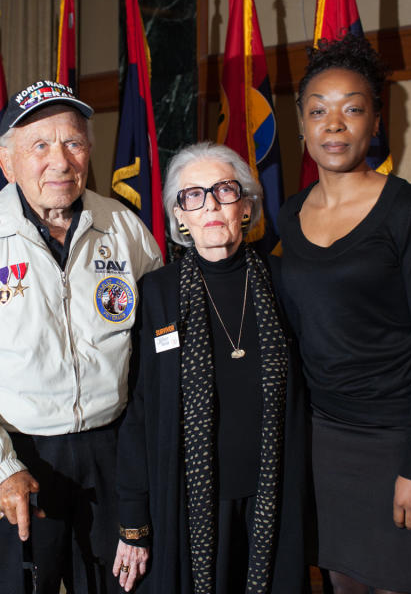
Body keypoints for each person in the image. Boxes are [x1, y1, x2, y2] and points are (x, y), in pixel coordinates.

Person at [0, 79, 163, 594]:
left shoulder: (124, 228)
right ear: (6, 160)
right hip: (18, 454)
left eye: (73, 142)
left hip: (113, 455)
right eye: (39, 145)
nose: (60, 161)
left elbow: (156, 347)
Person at [276, 34, 411, 594]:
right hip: (324, 438)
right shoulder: (288, 214)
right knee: (340, 581)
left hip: (399, 438)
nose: (334, 125)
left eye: (352, 109)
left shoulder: (410, 213)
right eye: (318, 111)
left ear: (376, 121)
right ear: (303, 124)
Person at [113, 142, 308, 593]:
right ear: (180, 216)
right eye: (194, 195)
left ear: (246, 205)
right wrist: (133, 515)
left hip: (273, 492)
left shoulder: (284, 281)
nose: (211, 205)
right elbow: (139, 409)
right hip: (189, 499)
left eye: (224, 190)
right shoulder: (157, 292)